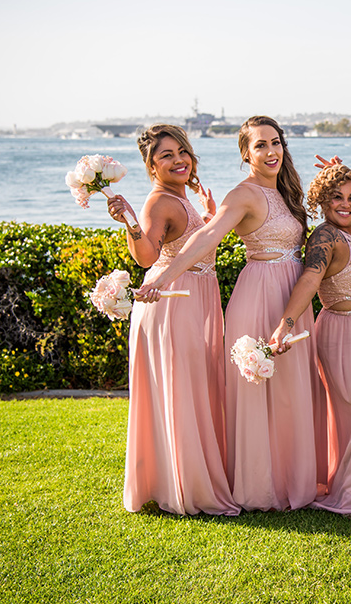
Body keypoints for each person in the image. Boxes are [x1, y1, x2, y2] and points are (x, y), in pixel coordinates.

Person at [138, 115, 323, 512]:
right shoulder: (243, 195)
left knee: (292, 391)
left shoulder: (287, 191)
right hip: (259, 294)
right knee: (260, 393)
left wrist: (338, 177)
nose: (271, 151)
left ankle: (294, 480)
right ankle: (259, 486)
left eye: (276, 142)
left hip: (292, 294)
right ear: (246, 153)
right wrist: (165, 276)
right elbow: (206, 236)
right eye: (260, 145)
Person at [107, 123, 239, 516]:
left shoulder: (181, 198)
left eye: (182, 151)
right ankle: (186, 487)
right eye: (167, 155)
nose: (179, 159)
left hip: (194, 300)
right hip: (172, 303)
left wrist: (209, 216)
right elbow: (147, 256)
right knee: (182, 391)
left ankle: (186, 477)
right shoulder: (159, 201)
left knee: (193, 389)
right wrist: (130, 219)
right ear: (151, 165)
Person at [269, 158, 351, 516]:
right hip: (340, 332)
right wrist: (285, 325)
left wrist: (349, 171)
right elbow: (309, 280)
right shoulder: (325, 236)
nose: (347, 205)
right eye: (336, 197)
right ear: (322, 201)